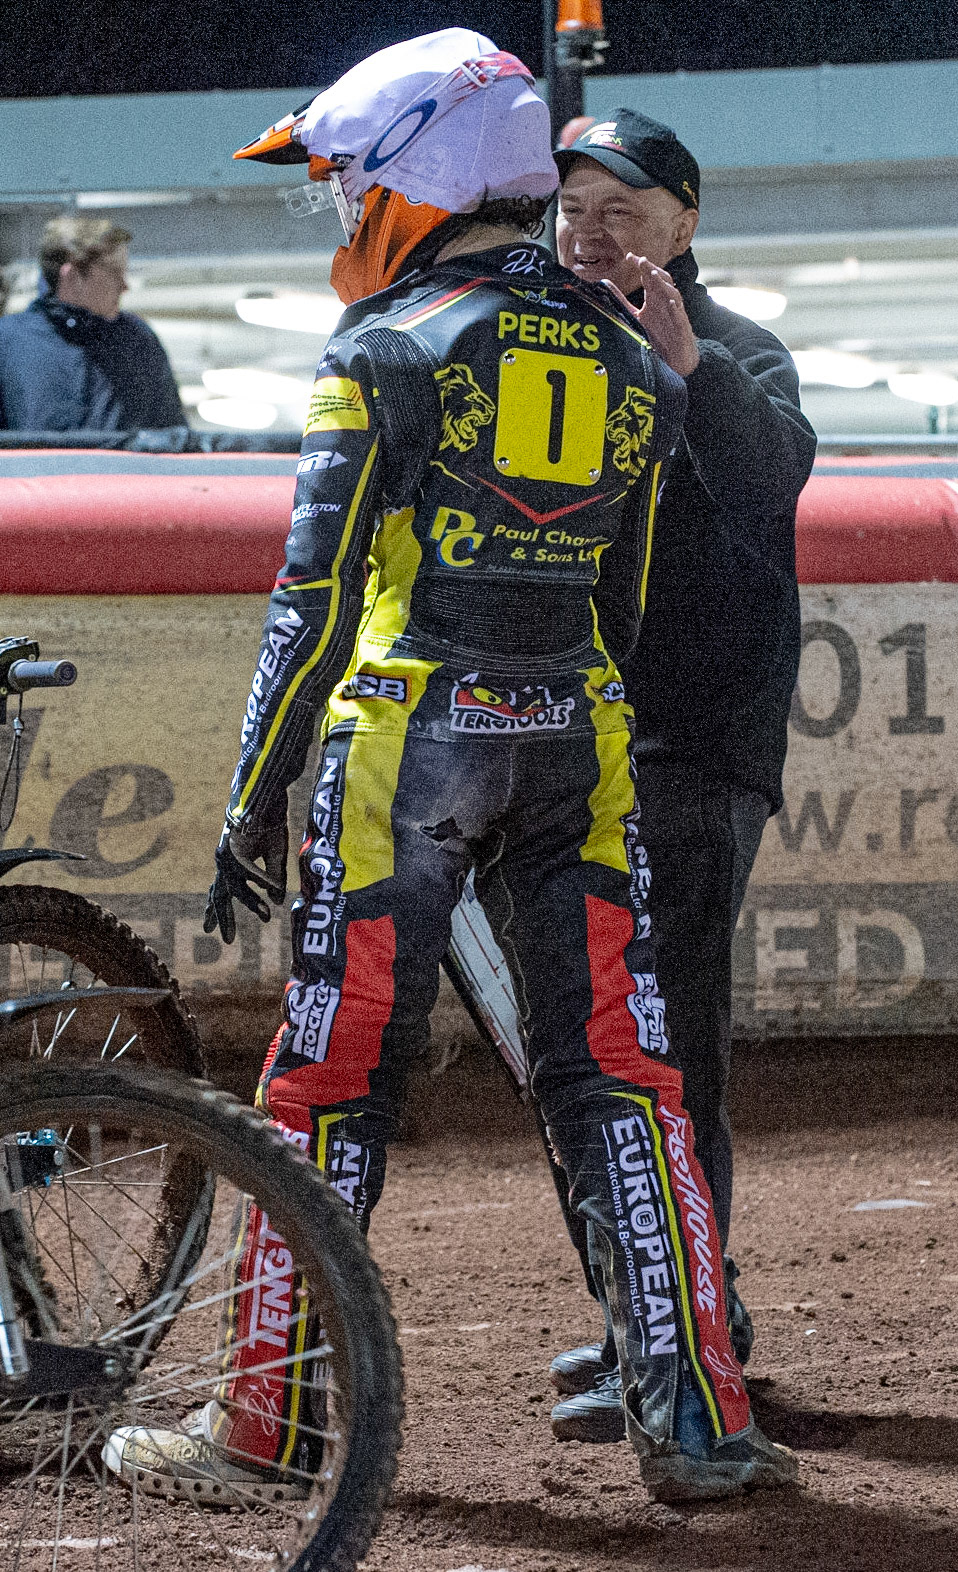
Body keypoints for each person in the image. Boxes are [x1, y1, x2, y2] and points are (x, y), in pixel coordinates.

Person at [103, 30, 797, 1505]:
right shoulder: (628, 350)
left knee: (331, 1077)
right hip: (583, 736)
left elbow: (316, 599)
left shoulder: (382, 350)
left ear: (414, 175)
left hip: (403, 744)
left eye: (352, 179)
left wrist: (252, 784)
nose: (344, 210)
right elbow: (632, 594)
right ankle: (695, 1426)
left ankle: (267, 1427)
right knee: (626, 1076)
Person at [544, 110, 818, 1442]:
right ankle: (654, 1313)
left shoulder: (743, 352)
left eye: (624, 209)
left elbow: (766, 481)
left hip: (690, 757)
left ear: (686, 223)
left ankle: (684, 1331)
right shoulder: (543, 343)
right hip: (568, 745)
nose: (591, 233)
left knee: (663, 1050)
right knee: (591, 1050)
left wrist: (686, 360)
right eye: (573, 208)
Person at [0, 216, 185, 431]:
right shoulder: (8, 343)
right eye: (115, 273)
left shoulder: (137, 340)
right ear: (72, 275)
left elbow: (172, 432)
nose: (125, 286)